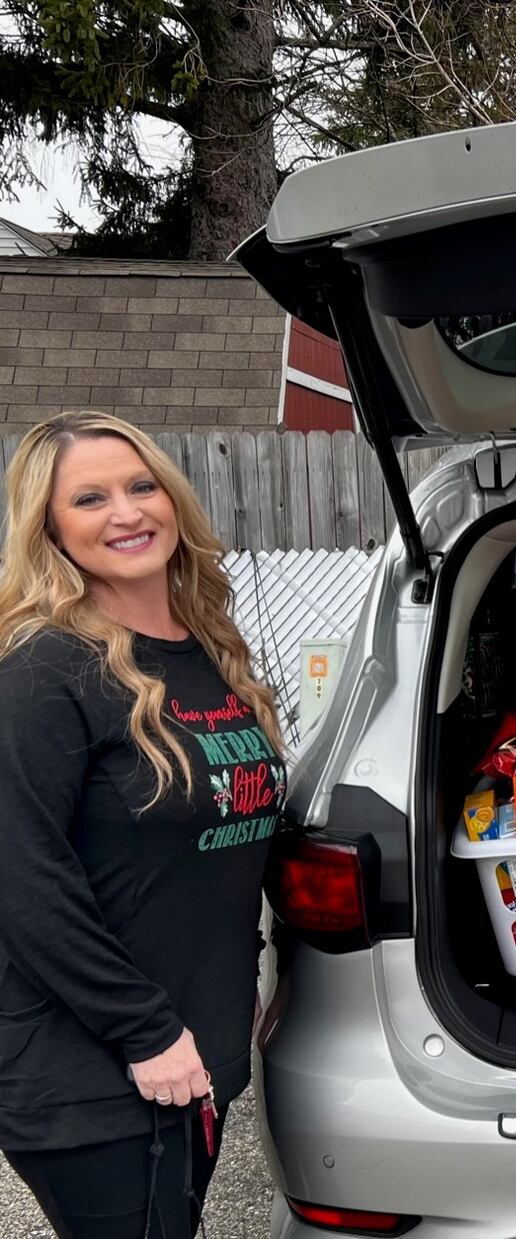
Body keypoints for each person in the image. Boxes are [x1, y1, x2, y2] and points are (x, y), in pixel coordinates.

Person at [0, 412, 285, 1237]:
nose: (125, 512)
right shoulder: (44, 670)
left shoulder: (207, 652)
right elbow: (20, 877)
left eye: (140, 485)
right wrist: (147, 1031)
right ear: (49, 528)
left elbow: (229, 846)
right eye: (89, 497)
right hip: (93, 1072)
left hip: (193, 1057)